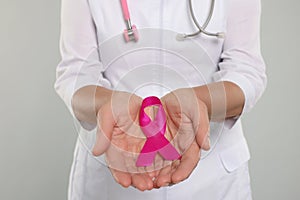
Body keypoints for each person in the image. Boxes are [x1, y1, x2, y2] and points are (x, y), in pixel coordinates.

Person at [55, 0, 267, 199]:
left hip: (214, 177)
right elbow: (76, 73)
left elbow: (246, 71)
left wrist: (199, 101)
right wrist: (107, 105)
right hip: (113, 168)